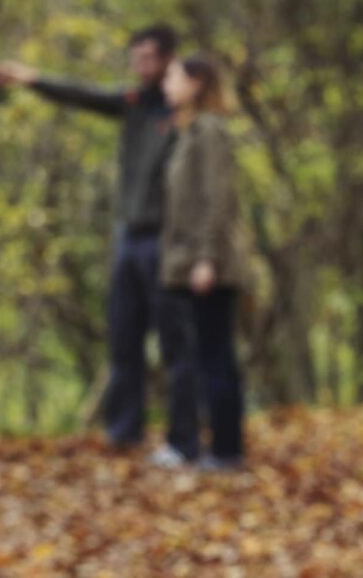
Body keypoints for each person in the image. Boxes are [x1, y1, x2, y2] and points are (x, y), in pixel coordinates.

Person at [0, 24, 180, 450]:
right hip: (128, 238)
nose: (140, 66)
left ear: (169, 58)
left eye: (148, 57)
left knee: (173, 340)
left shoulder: (182, 112)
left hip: (165, 239)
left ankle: (183, 434)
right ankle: (123, 432)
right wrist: (32, 79)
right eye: (135, 58)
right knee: (123, 335)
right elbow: (84, 94)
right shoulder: (134, 103)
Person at [153, 55, 247, 470]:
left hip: (210, 264)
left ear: (197, 82)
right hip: (193, 261)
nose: (165, 84)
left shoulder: (209, 129)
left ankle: (227, 451)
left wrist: (206, 258)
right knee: (205, 353)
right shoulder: (190, 130)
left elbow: (216, 197)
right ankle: (215, 448)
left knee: (215, 355)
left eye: (172, 76)